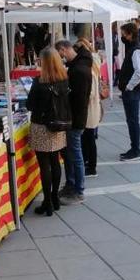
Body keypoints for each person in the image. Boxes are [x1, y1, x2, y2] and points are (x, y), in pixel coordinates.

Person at [26, 48, 70, 216]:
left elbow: (30, 105)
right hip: (58, 126)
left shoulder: (39, 82)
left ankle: (47, 202)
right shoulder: (64, 80)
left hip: (41, 125)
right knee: (55, 161)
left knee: (44, 165)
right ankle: (54, 198)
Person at [55, 40, 92, 204]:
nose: (60, 58)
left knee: (76, 154)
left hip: (75, 120)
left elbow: (78, 99)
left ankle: (79, 190)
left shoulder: (79, 70)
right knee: (70, 153)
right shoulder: (78, 65)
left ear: (63, 50)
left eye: (60, 54)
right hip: (74, 118)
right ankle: (71, 184)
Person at [118, 22, 140, 161]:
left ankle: (136, 150)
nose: (122, 37)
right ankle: (134, 148)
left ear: (130, 34)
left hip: (133, 91)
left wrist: (129, 87)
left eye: (123, 34)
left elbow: (139, 72)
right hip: (132, 91)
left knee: (133, 121)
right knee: (131, 120)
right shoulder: (134, 48)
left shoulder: (136, 50)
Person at [76, 39, 103, 177]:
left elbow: (90, 93)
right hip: (91, 109)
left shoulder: (91, 71)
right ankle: (89, 163)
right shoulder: (93, 66)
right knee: (88, 138)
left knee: (89, 138)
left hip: (90, 110)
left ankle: (91, 167)